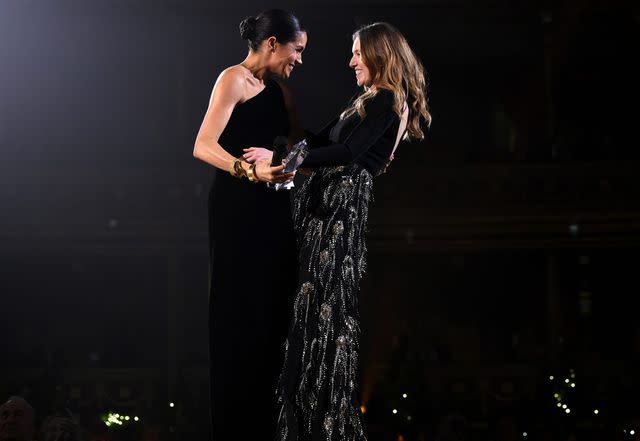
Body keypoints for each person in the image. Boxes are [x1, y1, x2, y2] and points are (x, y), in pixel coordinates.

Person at [274, 22, 431, 441]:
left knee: (320, 304)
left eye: (358, 53)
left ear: (379, 54)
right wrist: (280, 139)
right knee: (306, 300)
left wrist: (290, 158)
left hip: (339, 211)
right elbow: (319, 139)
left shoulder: (387, 99)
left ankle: (316, 420)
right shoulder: (367, 100)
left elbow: (346, 152)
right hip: (326, 204)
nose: (352, 61)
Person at [192, 9, 307, 439]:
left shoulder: (282, 94)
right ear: (273, 43)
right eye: (297, 50)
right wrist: (248, 170)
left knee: (274, 314)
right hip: (237, 211)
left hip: (275, 213)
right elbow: (203, 144)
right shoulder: (233, 79)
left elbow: (301, 148)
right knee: (239, 314)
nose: (299, 60)